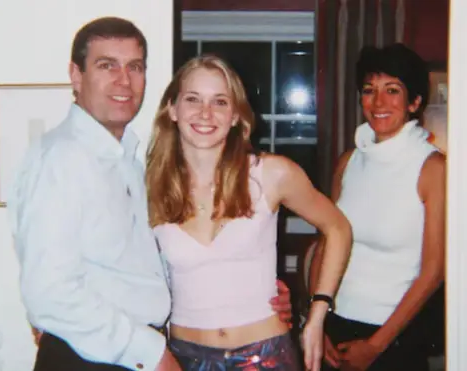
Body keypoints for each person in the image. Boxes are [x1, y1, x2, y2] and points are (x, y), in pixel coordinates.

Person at [8, 17, 292, 371]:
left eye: (135, 67)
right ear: (76, 75)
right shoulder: (60, 159)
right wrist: (151, 352)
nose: (123, 80)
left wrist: (250, 291)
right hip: (96, 356)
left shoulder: (133, 162)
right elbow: (49, 293)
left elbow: (147, 267)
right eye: (106, 65)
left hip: (134, 353)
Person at [146, 54, 353, 371]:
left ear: (235, 116)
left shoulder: (271, 174)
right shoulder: (149, 186)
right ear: (172, 109)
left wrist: (317, 314)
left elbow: (338, 228)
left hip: (266, 356)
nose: (205, 113)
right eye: (193, 99)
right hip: (184, 358)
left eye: (220, 102)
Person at [308, 43, 446, 371]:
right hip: (334, 325)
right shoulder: (349, 161)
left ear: (414, 102)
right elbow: (326, 245)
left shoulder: (433, 168)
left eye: (392, 90)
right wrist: (317, 320)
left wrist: (376, 346)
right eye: (369, 90)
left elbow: (434, 270)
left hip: (395, 337)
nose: (378, 102)